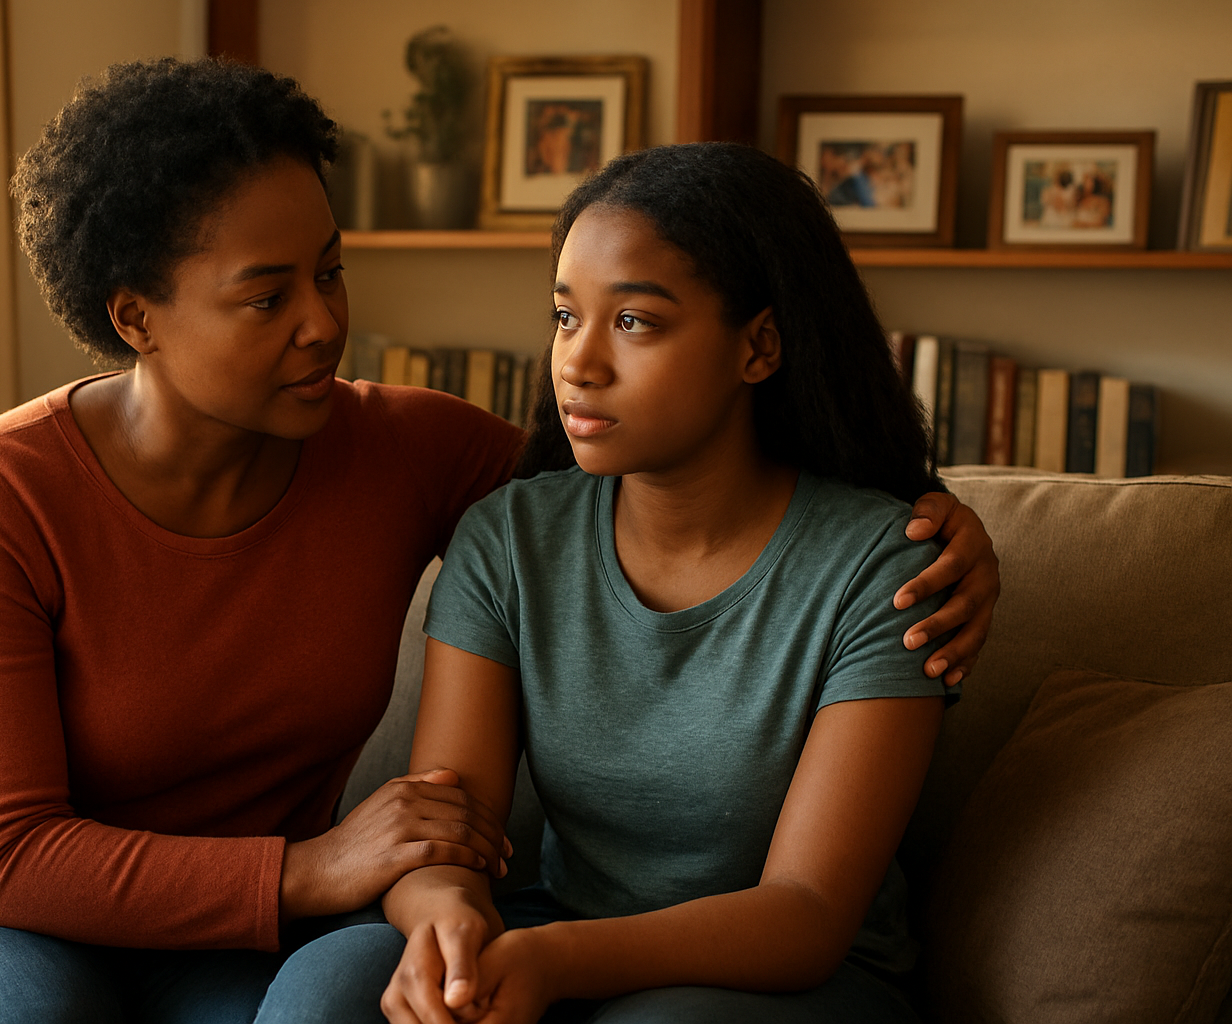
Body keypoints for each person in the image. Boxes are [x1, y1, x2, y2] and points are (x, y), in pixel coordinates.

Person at [0, 59, 995, 1024]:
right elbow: (4, 856)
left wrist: (948, 521)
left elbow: (645, 482)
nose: (324, 325)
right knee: (29, 1014)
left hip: (229, 918)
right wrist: (317, 871)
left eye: (331, 272)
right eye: (268, 297)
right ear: (134, 317)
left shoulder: (420, 457)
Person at [254, 142, 971, 1024]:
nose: (577, 363)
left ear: (760, 346)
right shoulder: (510, 537)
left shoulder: (882, 569)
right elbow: (448, 825)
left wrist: (556, 961)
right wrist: (446, 915)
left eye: (634, 321)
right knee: (332, 983)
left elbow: (809, 914)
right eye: (565, 317)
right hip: (547, 939)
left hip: (777, 981)